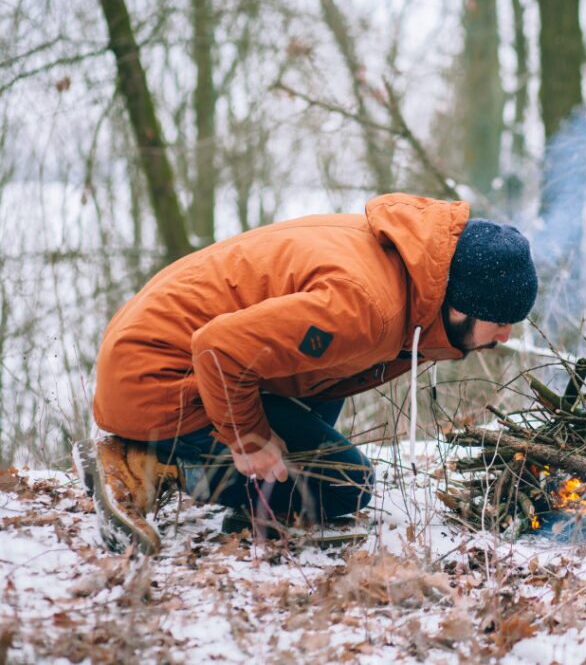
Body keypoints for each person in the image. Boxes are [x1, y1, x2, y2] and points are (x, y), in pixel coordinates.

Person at [79, 193, 538, 554]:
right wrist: (247, 438)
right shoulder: (368, 308)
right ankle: (151, 466)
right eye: (499, 322)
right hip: (157, 376)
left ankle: (255, 503)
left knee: (334, 375)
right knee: (345, 486)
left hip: (163, 353)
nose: (504, 336)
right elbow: (217, 349)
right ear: (461, 304)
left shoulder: (406, 262)